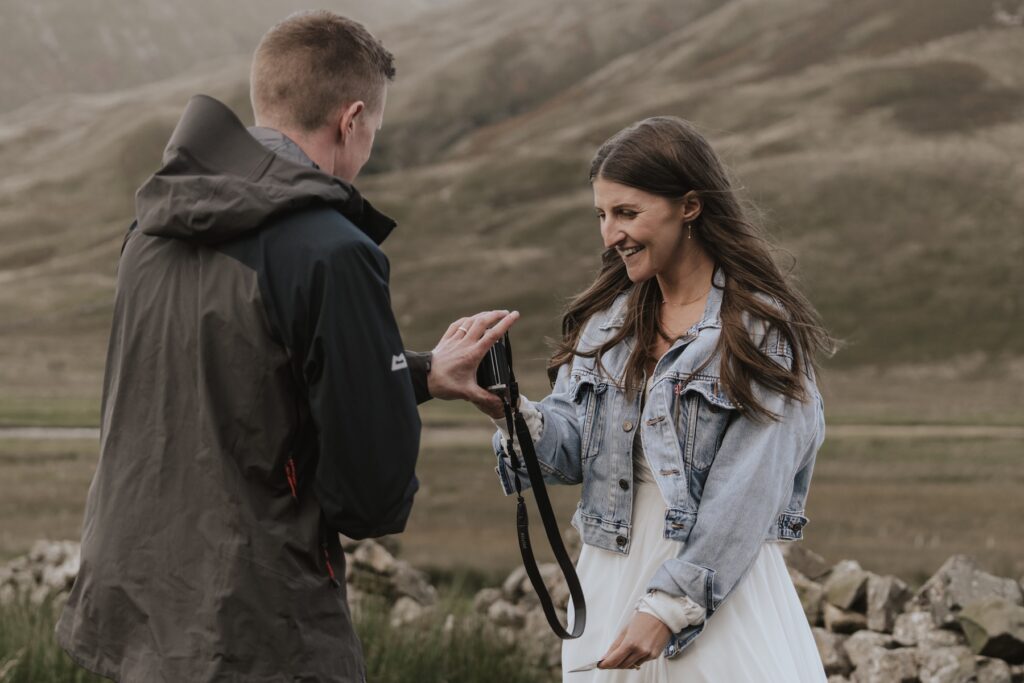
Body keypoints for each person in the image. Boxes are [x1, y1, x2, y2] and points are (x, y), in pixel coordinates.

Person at [56, 10, 516, 682]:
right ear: (350, 118)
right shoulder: (333, 251)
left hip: (131, 607)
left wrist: (419, 372)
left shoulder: (149, 230)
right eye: (373, 135)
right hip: (258, 626)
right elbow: (370, 499)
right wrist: (382, 396)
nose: (364, 155)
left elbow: (233, 378)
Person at [477, 116, 833, 681]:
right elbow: (570, 451)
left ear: (689, 206)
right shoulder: (606, 325)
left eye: (626, 213)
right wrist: (504, 407)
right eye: (601, 214)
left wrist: (668, 608)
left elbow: (749, 489)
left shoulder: (760, 333)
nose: (608, 234)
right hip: (607, 579)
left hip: (713, 586)